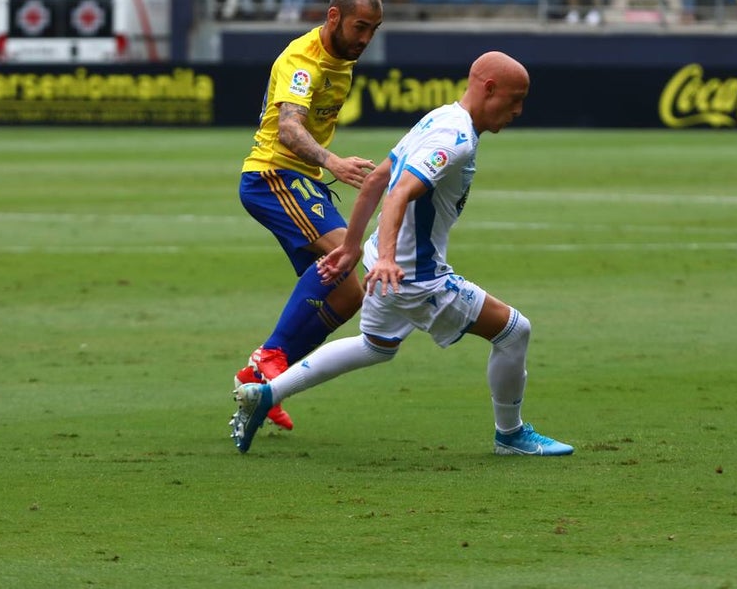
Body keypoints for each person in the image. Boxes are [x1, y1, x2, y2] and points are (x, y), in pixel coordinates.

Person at [232, 51, 574, 457]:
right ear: (489, 88)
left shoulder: (440, 117)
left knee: (374, 345)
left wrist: (353, 246)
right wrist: (389, 258)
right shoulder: (455, 140)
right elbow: (397, 193)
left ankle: (266, 394)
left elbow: (377, 178)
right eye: (515, 100)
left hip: (385, 264)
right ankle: (511, 435)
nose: (518, 111)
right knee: (515, 331)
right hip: (415, 276)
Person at [233, 0, 385, 433]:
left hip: (304, 182)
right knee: (345, 251)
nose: (366, 38)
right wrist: (333, 161)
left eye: (374, 29)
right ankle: (270, 355)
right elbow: (288, 128)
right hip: (272, 176)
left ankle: (263, 381)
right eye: (360, 27)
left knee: (348, 294)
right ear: (334, 17)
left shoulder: (343, 59)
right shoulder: (303, 60)